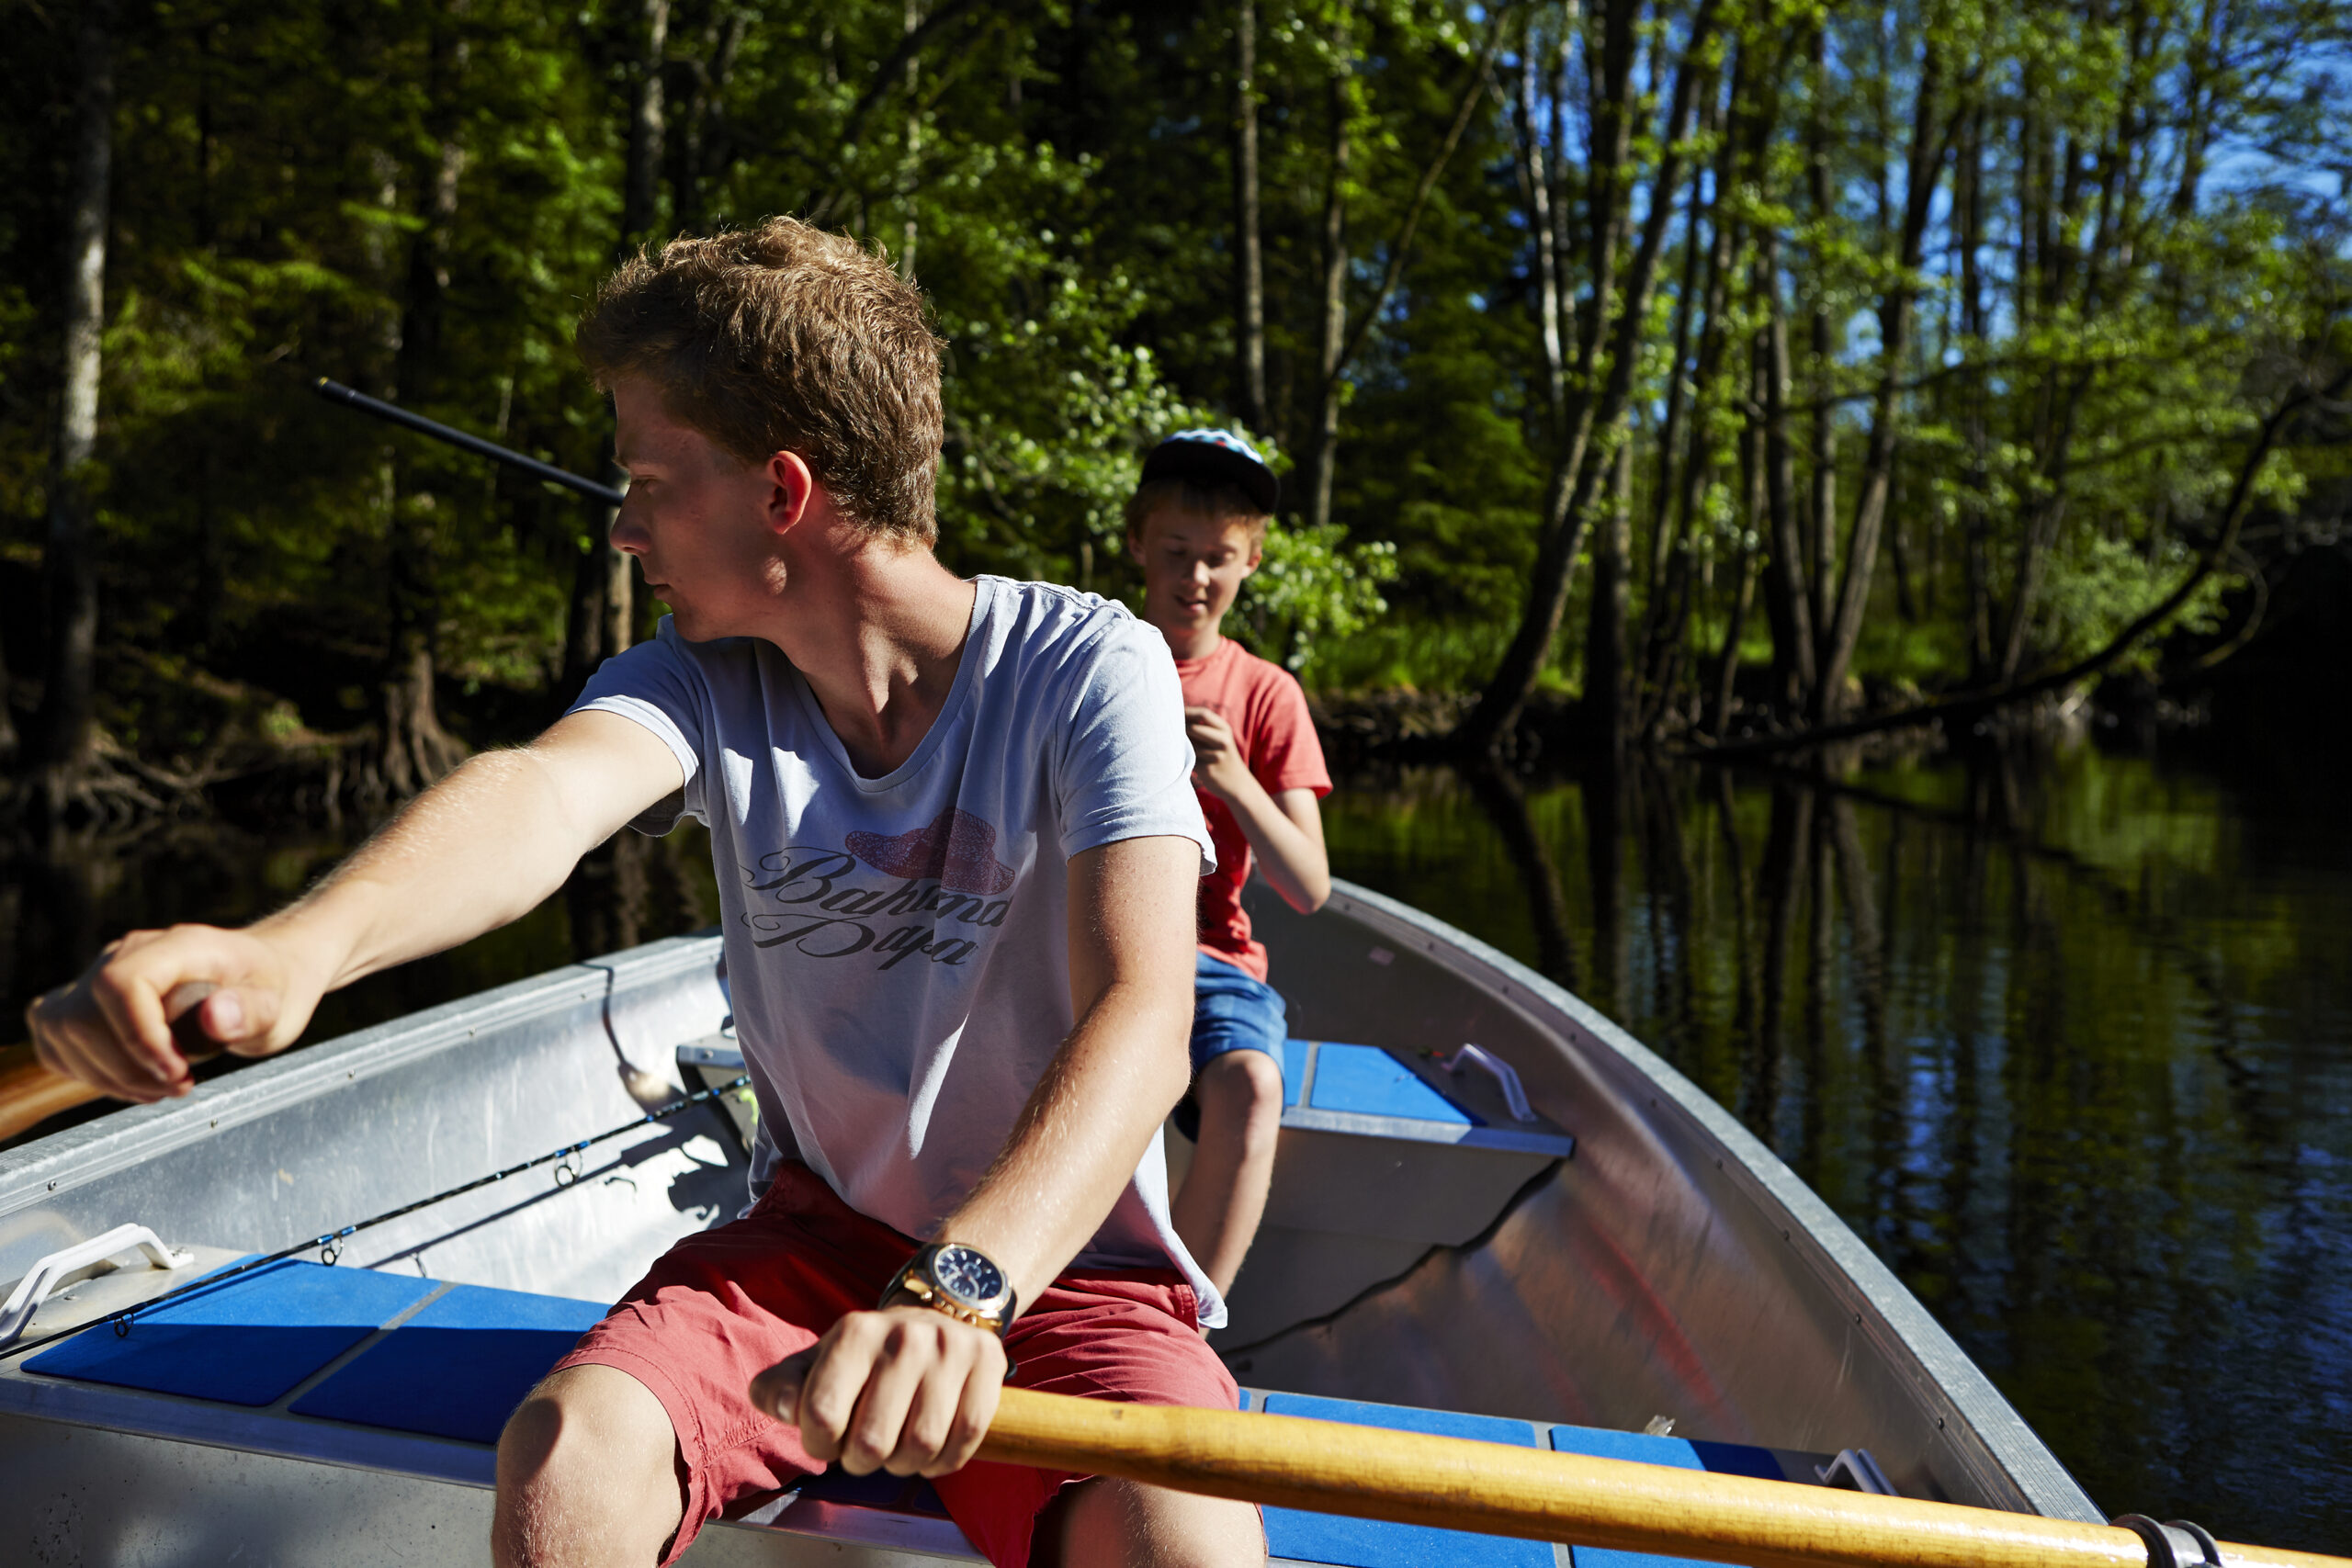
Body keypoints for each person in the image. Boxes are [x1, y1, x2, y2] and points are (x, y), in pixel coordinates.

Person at [26, 219, 1264, 1568]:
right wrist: (297, 948)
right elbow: (538, 798)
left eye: (649, 481)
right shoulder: (700, 676)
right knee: (571, 1450)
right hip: (813, 1246)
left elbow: (1145, 1012)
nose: (623, 527)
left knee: (1184, 1544)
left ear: (782, 492)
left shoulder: (1089, 666)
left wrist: (961, 1285)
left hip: (1068, 1266)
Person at [1125, 432, 1333, 1303]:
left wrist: (1235, 780)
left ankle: (1183, 1318)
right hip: (1085, 941)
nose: (1196, 576)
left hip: (1213, 963)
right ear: (1137, 544)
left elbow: (1308, 885)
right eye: (1176, 552)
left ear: (1252, 560)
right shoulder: (1090, 660)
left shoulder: (1266, 694)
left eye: (1218, 557)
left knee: (1251, 1081)